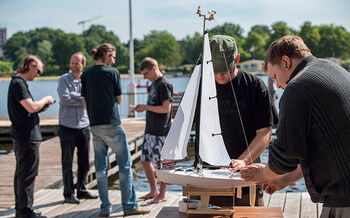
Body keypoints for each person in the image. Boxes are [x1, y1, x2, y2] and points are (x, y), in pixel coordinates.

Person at [240, 35, 350, 217]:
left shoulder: (297, 87)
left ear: (286, 62)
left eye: (275, 76)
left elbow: (286, 154)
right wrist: (285, 178)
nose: (278, 85)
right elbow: (322, 147)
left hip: (344, 199)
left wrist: (263, 174)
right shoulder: (335, 70)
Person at [196, 35, 278, 206]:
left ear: (237, 59)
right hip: (205, 177)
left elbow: (265, 133)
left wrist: (243, 160)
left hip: (245, 177)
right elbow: (183, 123)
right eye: (214, 69)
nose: (219, 75)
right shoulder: (201, 86)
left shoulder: (255, 86)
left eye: (224, 69)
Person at [81, 43, 150, 217]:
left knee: (100, 167)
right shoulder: (112, 73)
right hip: (112, 124)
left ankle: (105, 208)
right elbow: (119, 100)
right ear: (105, 55)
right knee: (125, 165)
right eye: (113, 56)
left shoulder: (86, 74)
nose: (114, 60)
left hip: (95, 125)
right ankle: (129, 205)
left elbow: (84, 100)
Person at [8, 55, 55, 218]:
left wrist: (39, 108)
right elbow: (31, 107)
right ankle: (25, 211)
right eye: (38, 70)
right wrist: (46, 100)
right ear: (30, 66)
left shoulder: (17, 83)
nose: (39, 74)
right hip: (26, 136)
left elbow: (27, 109)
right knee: (27, 173)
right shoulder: (19, 84)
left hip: (22, 134)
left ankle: (21, 209)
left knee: (22, 172)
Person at [57, 52, 97, 204]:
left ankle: (81, 189)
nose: (74, 66)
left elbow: (91, 97)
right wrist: (84, 98)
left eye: (77, 63)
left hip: (84, 125)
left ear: (83, 65)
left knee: (85, 160)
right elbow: (65, 99)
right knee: (67, 161)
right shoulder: (63, 80)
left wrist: (76, 96)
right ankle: (68, 193)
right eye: (72, 63)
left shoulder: (87, 79)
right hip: (67, 126)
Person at [133, 57, 173, 204]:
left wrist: (145, 107)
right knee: (144, 161)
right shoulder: (154, 84)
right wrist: (142, 107)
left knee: (161, 164)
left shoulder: (164, 84)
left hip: (160, 131)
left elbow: (166, 108)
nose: (144, 77)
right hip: (150, 130)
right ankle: (153, 191)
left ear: (154, 69)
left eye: (145, 73)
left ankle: (162, 195)